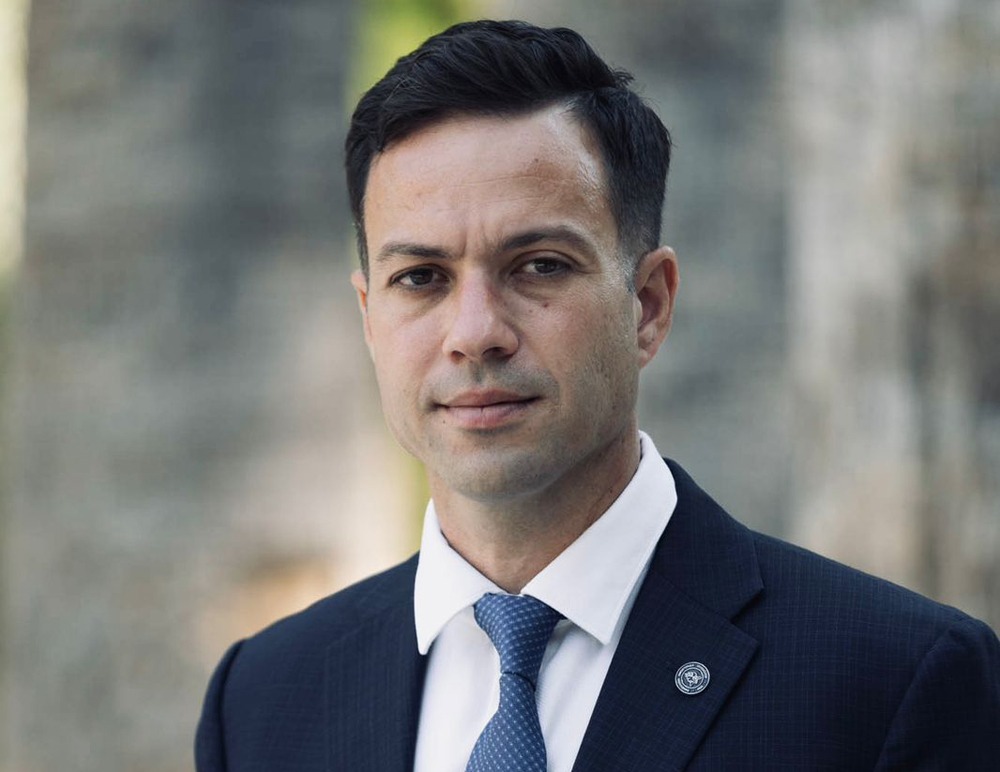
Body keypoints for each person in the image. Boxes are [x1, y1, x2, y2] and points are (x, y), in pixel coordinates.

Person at [195, 20, 1000, 771]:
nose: (475, 333)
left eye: (539, 265)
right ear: (370, 318)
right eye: (422, 277)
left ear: (647, 305)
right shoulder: (262, 701)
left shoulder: (894, 683)